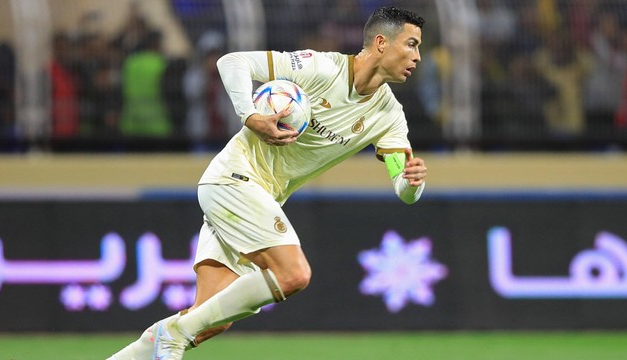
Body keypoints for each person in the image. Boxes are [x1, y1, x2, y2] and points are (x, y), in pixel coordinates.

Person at [108, 6, 427, 360]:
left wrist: (411, 183)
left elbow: (404, 187)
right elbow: (232, 62)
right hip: (233, 178)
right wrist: (251, 116)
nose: (417, 56)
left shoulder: (389, 115)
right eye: (411, 44)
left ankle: (156, 341)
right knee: (293, 274)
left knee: (209, 319)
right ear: (381, 43)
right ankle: (173, 333)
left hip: (253, 199)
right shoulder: (320, 68)